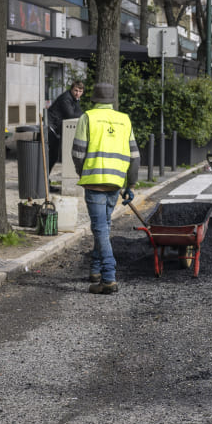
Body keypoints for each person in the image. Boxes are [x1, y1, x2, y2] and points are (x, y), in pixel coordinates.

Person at [72, 82, 139, 295]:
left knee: (100, 229)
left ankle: (108, 277)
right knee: (104, 227)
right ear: (111, 100)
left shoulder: (87, 117)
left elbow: (77, 153)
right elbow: (135, 157)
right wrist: (131, 184)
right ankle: (95, 271)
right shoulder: (124, 119)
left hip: (94, 183)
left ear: (94, 99)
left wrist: (83, 172)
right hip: (115, 183)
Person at [45, 80, 85, 177]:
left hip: (56, 129)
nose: (77, 93)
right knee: (51, 157)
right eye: (76, 90)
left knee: (53, 157)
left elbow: (78, 112)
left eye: (80, 91)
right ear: (71, 89)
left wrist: (83, 115)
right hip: (51, 128)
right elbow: (71, 115)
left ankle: (45, 180)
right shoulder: (66, 98)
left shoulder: (75, 99)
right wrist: (86, 115)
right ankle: (44, 181)